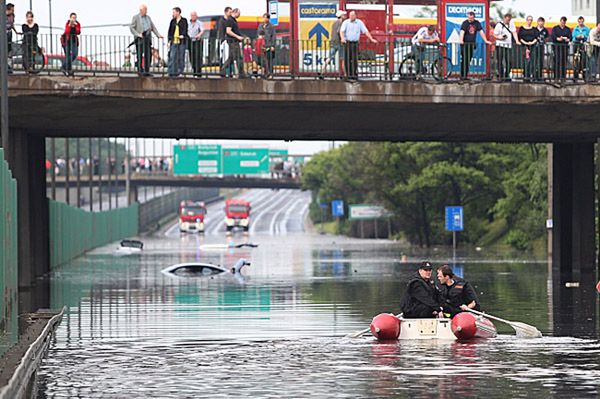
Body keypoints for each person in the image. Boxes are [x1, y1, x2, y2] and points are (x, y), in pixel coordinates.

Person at [340, 10, 377, 81]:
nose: (351, 17)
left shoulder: (359, 23)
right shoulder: (346, 22)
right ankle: (348, 75)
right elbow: (342, 31)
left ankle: (354, 74)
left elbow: (365, 31)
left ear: (355, 16)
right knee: (347, 59)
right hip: (347, 43)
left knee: (354, 59)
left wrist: (371, 39)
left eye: (352, 16)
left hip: (355, 43)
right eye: (350, 16)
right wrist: (342, 38)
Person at [130, 4, 163, 77]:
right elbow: (132, 28)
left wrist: (158, 35)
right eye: (145, 10)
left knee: (148, 54)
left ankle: (147, 70)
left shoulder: (148, 18)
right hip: (139, 39)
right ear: (141, 10)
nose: (146, 11)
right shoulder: (135, 17)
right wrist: (138, 34)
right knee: (139, 55)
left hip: (147, 38)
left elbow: (153, 27)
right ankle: (140, 70)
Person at [459, 11, 492, 80]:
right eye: (469, 18)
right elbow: (462, 32)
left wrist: (486, 40)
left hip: (472, 44)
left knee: (468, 60)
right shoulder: (465, 23)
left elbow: (481, 32)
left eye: (471, 18)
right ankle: (462, 75)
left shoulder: (476, 23)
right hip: (465, 44)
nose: (470, 20)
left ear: (474, 17)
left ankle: (465, 75)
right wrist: (461, 40)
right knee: (464, 60)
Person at [320, 10, 346, 78]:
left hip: (333, 42)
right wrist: (343, 38)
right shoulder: (342, 23)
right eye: (344, 15)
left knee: (329, 57)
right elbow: (339, 32)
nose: (345, 16)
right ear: (341, 16)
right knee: (343, 59)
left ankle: (322, 72)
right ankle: (345, 74)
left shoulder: (334, 23)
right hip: (340, 43)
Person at [493, 13, 519, 81]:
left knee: (509, 61)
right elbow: (494, 35)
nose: (508, 21)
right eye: (507, 20)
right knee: (500, 61)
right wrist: (500, 37)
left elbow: (514, 32)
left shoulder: (511, 24)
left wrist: (517, 40)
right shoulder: (499, 25)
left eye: (509, 20)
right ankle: (501, 76)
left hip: (508, 45)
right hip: (500, 45)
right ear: (504, 18)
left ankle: (506, 74)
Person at [222, 8, 244, 78]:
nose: (239, 15)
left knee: (231, 58)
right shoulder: (230, 20)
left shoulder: (233, 20)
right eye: (239, 13)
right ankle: (241, 74)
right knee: (238, 57)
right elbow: (228, 31)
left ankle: (222, 71)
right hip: (233, 41)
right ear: (235, 12)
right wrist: (238, 37)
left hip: (234, 41)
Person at [167, 7, 188, 78]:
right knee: (172, 56)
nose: (173, 14)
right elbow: (170, 31)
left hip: (181, 41)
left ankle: (180, 71)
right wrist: (169, 40)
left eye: (174, 12)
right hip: (174, 41)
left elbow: (185, 29)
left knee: (181, 56)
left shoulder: (184, 20)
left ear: (178, 12)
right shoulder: (172, 21)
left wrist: (182, 35)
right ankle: (172, 71)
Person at [518, 16, 539, 82]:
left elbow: (536, 37)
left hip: (532, 46)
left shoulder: (534, 29)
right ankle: (525, 75)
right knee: (525, 61)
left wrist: (532, 43)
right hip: (524, 46)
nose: (530, 21)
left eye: (531, 20)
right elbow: (520, 37)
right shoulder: (522, 28)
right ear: (526, 20)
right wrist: (526, 43)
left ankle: (530, 75)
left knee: (532, 61)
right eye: (529, 20)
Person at [551, 17, 571, 81]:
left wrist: (567, 39)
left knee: (564, 62)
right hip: (557, 48)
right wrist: (558, 39)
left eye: (564, 23)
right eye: (562, 22)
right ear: (560, 21)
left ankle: (563, 77)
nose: (563, 24)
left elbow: (570, 37)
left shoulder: (567, 29)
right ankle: (556, 77)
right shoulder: (555, 28)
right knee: (556, 62)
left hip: (564, 48)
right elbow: (553, 36)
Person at [60, 12, 81, 76]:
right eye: (72, 17)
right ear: (70, 18)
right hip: (67, 41)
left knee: (74, 55)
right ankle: (69, 70)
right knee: (68, 55)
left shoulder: (77, 24)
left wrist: (74, 25)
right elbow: (67, 31)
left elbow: (78, 32)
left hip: (74, 41)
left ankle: (63, 66)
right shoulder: (67, 23)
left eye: (74, 18)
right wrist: (70, 25)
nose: (73, 19)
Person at [257, 12, 276, 78]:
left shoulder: (271, 26)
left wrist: (273, 45)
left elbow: (273, 36)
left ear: (268, 19)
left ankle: (270, 73)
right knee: (263, 60)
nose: (264, 19)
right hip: (262, 45)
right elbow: (258, 33)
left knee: (269, 60)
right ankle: (265, 73)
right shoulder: (260, 25)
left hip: (269, 45)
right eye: (264, 17)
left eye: (266, 18)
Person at [572, 16, 590, 81]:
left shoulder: (587, 29)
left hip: (583, 46)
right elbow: (573, 37)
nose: (581, 23)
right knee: (575, 61)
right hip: (576, 45)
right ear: (578, 22)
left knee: (584, 61)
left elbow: (588, 37)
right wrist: (577, 37)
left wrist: (584, 36)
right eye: (579, 22)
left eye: (582, 21)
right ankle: (575, 76)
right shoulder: (575, 29)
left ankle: (584, 76)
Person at [188, 11, 203, 77]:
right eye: (192, 15)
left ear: (196, 16)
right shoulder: (188, 24)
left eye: (194, 15)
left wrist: (198, 35)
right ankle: (194, 71)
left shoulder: (199, 23)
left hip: (197, 41)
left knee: (198, 56)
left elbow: (202, 30)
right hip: (190, 41)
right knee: (192, 57)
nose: (193, 16)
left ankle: (198, 72)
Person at [217, 7, 232, 71]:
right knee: (223, 57)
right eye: (230, 12)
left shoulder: (230, 20)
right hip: (224, 41)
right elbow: (221, 31)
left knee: (229, 57)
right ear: (225, 12)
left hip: (229, 41)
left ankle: (229, 71)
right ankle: (223, 71)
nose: (231, 13)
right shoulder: (222, 21)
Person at [534, 17, 549, 81]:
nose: (541, 23)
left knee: (540, 62)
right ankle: (534, 76)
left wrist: (545, 40)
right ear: (537, 22)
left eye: (542, 22)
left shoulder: (545, 30)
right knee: (534, 61)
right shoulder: (534, 29)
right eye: (540, 21)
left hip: (541, 47)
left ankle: (540, 76)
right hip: (534, 47)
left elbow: (548, 38)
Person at [6, 3, 16, 73]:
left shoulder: (12, 15)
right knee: (4, 49)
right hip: (4, 32)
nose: (13, 11)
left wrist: (16, 31)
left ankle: (9, 67)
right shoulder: (3, 15)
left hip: (9, 32)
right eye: (12, 10)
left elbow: (12, 25)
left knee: (9, 49)